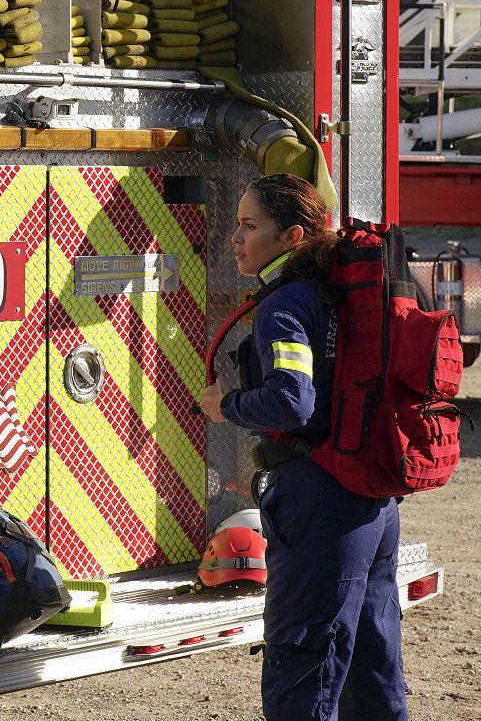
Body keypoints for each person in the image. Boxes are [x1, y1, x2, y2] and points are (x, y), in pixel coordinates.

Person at [199, 173, 407, 721]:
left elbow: (293, 403)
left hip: (321, 505)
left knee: (303, 664)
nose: (236, 239)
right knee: (372, 664)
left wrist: (229, 406)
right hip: (373, 501)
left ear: (292, 237)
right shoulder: (336, 293)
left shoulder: (284, 305)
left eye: (250, 225)